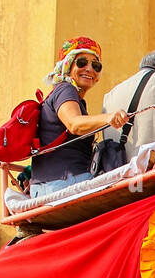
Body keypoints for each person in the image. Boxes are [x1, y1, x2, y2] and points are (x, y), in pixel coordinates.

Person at [30, 37, 129, 199]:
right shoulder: (65, 90)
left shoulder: (70, 95)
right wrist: (108, 118)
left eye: (96, 65)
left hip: (52, 184)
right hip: (63, 183)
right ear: (68, 65)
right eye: (82, 63)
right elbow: (74, 124)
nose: (90, 69)